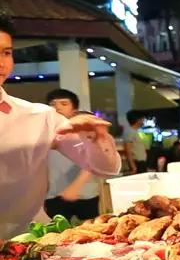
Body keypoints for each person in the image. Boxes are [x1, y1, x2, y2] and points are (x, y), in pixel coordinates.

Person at [0, 12, 120, 236]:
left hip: (27, 243)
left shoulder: (41, 117)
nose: (1, 63)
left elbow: (106, 168)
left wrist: (96, 137)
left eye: (6, 53)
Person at [44, 89, 102, 222]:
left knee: (89, 232)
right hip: (54, 196)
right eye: (53, 104)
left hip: (85, 194)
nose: (57, 107)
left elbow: (93, 162)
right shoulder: (45, 133)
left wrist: (75, 187)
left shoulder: (86, 131)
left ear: (74, 110)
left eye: (64, 104)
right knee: (56, 232)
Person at [123, 110, 147, 174]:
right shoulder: (129, 132)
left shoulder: (135, 132)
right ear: (138, 120)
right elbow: (127, 150)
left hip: (141, 163)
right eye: (142, 119)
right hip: (136, 163)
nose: (143, 121)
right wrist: (133, 167)